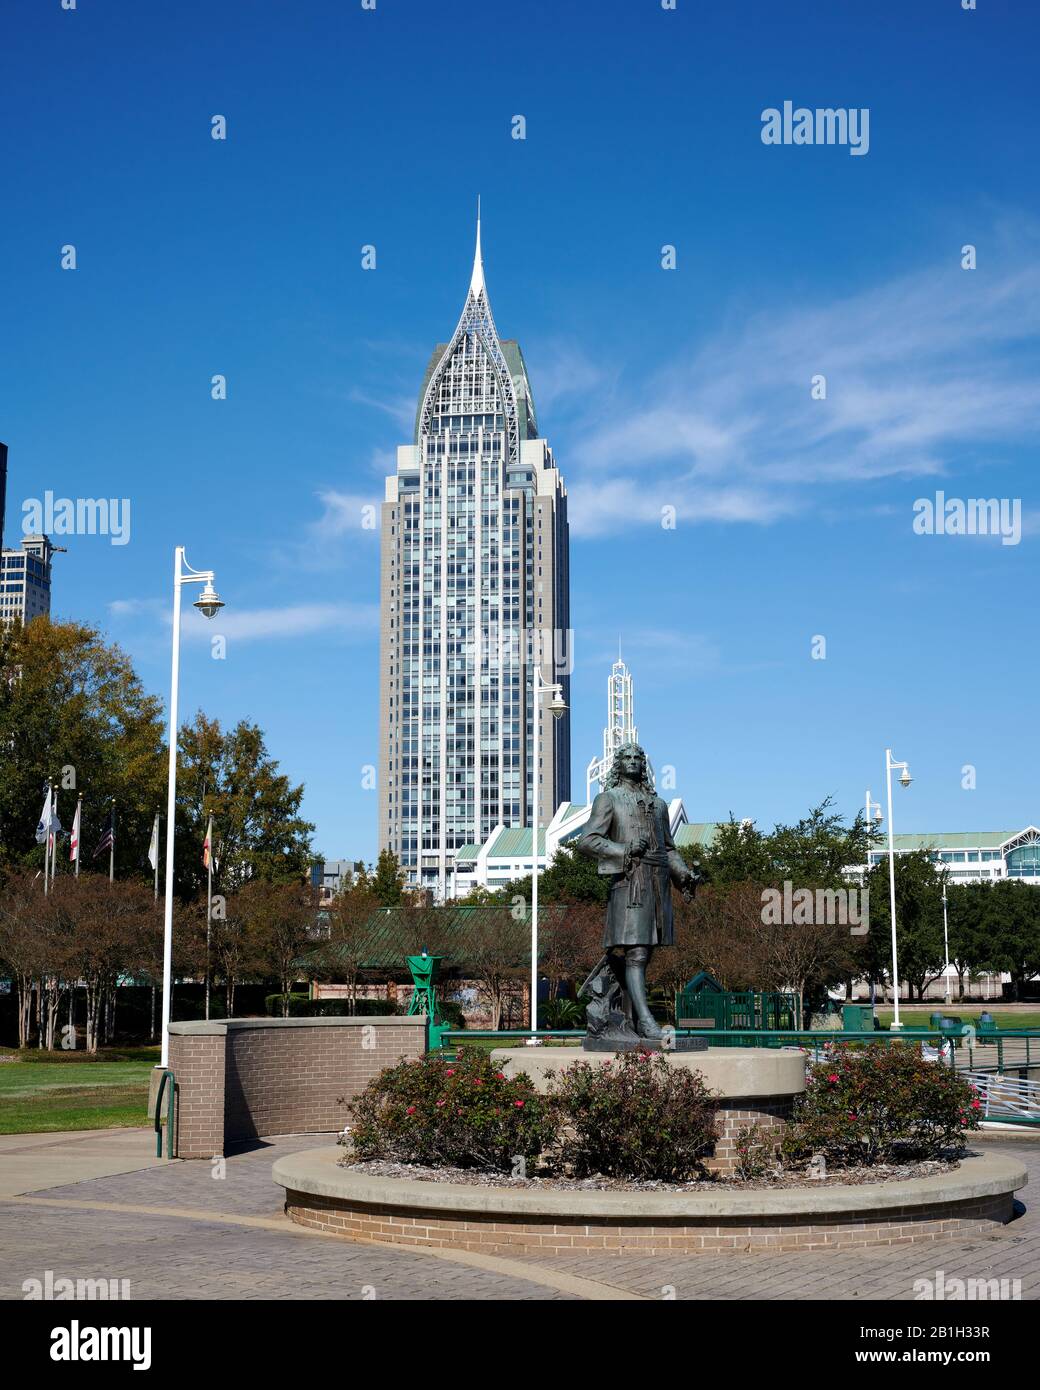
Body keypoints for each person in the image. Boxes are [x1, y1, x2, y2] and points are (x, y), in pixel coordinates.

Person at [577, 742, 698, 1040]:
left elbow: (669, 848)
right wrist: (623, 849)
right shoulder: (608, 799)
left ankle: (628, 1016)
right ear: (618, 764)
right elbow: (588, 840)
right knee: (637, 951)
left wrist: (684, 874)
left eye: (637, 758)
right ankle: (644, 1021)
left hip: (657, 884)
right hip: (630, 881)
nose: (632, 761)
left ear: (643, 764)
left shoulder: (659, 805)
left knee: (646, 951)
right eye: (627, 757)